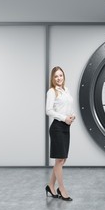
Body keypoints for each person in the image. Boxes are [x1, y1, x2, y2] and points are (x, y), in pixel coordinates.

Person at [45, 66, 75, 201]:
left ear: (64, 76)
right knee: (60, 160)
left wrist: (72, 116)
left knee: (61, 160)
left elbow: (68, 107)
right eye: (56, 76)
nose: (59, 78)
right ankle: (61, 189)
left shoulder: (66, 90)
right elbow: (48, 111)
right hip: (57, 127)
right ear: (53, 78)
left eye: (61, 75)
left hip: (66, 127)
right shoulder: (52, 92)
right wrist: (64, 118)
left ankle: (51, 185)